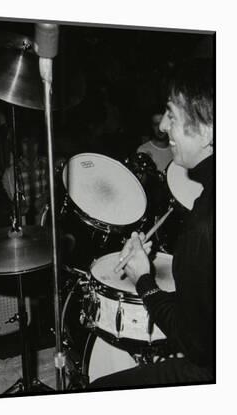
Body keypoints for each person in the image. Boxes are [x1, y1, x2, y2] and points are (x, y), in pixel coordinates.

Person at [90, 59, 213, 389]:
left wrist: (144, 279)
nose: (162, 127)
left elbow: (198, 347)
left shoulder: (204, 224)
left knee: (98, 391)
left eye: (173, 113)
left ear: (206, 131)